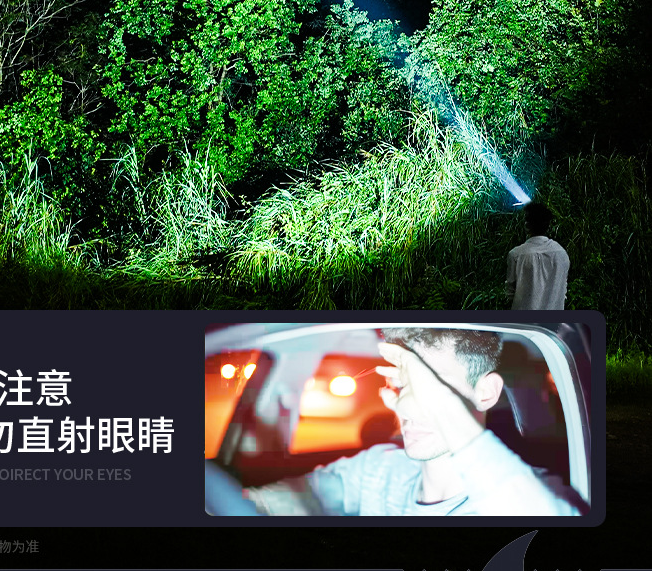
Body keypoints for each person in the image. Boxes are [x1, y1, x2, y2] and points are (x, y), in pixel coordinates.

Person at [246, 327, 586, 517]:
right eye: (402, 382)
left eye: (429, 383)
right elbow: (290, 500)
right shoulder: (378, 470)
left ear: (486, 393)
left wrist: (440, 406)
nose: (406, 407)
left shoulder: (526, 492)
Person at [506, 202, 570, 310]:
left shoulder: (516, 255)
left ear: (527, 225)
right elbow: (563, 291)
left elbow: (510, 294)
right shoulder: (561, 254)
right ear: (547, 225)